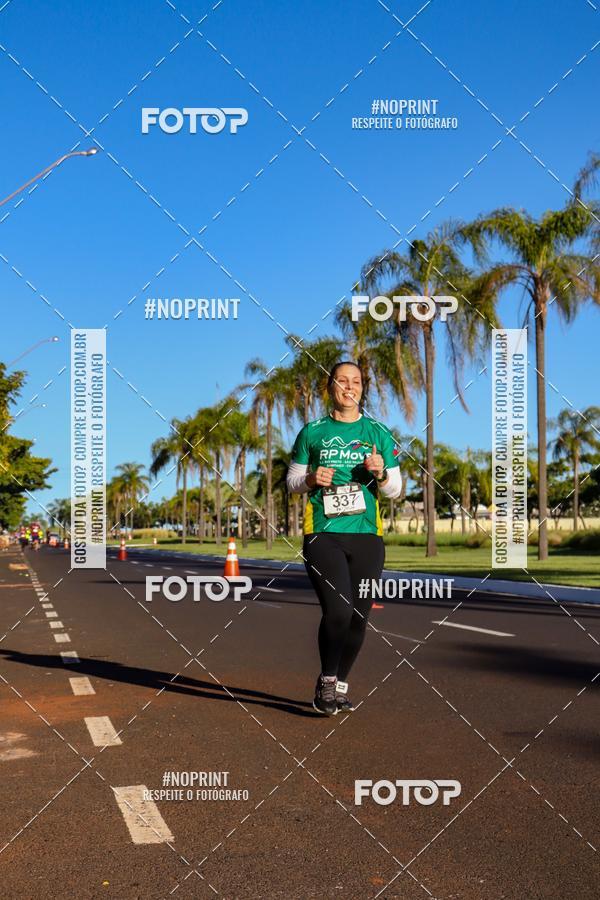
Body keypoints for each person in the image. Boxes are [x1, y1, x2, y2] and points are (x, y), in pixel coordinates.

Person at [286, 361, 403, 716]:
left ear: (362, 388)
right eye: (342, 381)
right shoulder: (312, 432)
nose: (349, 387)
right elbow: (292, 483)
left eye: (356, 381)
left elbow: (395, 489)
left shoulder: (379, 432)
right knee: (338, 610)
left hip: (367, 536)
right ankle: (326, 681)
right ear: (330, 387)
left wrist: (381, 473)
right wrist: (310, 480)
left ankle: (339, 686)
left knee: (359, 616)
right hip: (323, 533)